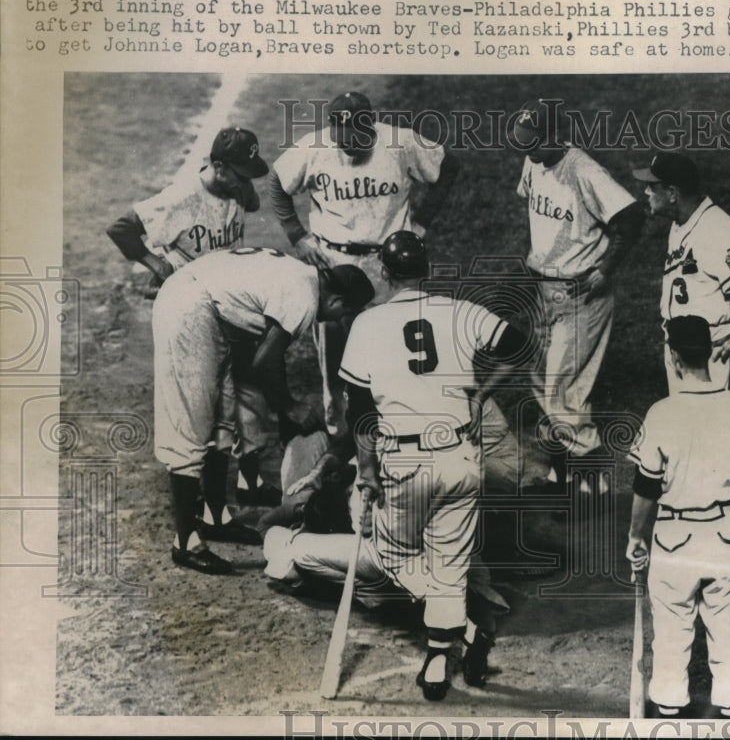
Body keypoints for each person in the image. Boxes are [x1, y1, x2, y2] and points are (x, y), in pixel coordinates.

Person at [339, 230, 529, 701]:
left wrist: (367, 471)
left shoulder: (367, 324)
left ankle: (462, 629)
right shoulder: (461, 311)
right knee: (450, 561)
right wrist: (480, 394)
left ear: (384, 272)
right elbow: (520, 344)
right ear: (426, 270)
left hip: (404, 460)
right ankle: (441, 657)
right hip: (461, 457)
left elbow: (359, 412)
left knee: (390, 551)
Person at [152, 246, 374, 575]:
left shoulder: (303, 278)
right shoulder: (305, 296)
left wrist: (287, 413)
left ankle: (215, 518)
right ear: (338, 301)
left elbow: (271, 356)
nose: (338, 319)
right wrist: (290, 407)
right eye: (345, 312)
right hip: (188, 305)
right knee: (191, 420)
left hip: (208, 306)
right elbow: (264, 361)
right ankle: (185, 543)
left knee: (223, 418)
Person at [267, 91, 460, 439]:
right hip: (334, 263)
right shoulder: (314, 148)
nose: (349, 148)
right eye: (343, 140)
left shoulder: (400, 142)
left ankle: (393, 432)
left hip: (388, 266)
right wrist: (297, 235)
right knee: (335, 360)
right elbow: (277, 182)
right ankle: (340, 436)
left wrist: (421, 222)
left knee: (394, 353)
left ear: (371, 124)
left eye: (356, 140)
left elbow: (448, 166)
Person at [107, 126, 279, 504]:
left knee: (245, 395)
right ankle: (195, 501)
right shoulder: (182, 198)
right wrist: (157, 265)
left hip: (229, 305)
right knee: (203, 407)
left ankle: (244, 488)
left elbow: (251, 203)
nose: (245, 182)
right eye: (239, 174)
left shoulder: (237, 187)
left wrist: (243, 185)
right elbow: (121, 229)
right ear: (218, 166)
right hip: (193, 316)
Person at [626, 315, 730, 719]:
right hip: (728, 536)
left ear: (673, 357)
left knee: (672, 630)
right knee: (728, 625)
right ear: (710, 353)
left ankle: (670, 709)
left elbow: (646, 488)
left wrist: (636, 536)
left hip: (675, 540)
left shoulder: (661, 413)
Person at [510, 99, 645, 494]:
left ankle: (592, 488)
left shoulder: (585, 172)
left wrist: (606, 268)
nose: (528, 150)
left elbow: (632, 216)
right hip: (543, 289)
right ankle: (561, 475)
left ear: (556, 135)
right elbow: (536, 216)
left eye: (534, 142)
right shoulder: (534, 160)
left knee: (564, 392)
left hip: (579, 294)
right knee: (541, 383)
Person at [259, 432, 510, 617]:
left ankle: (397, 597)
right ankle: (412, 594)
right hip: (455, 547)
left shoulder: (373, 468)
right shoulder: (433, 418)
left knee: (291, 549)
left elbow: (267, 525)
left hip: (404, 558)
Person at [632, 151, 730, 395]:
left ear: (672, 193)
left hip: (715, 355)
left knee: (718, 420)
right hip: (684, 352)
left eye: (652, 187)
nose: (646, 192)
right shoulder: (680, 222)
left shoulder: (716, 227)